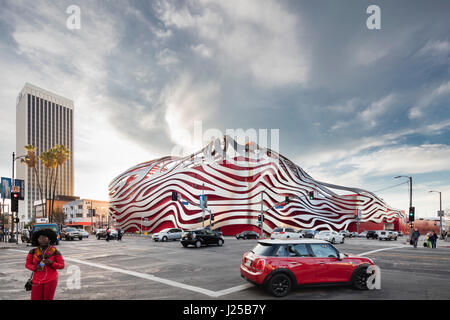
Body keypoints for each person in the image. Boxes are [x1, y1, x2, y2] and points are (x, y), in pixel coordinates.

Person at [25, 228, 65, 300]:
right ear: (37, 239)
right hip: (37, 280)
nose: (42, 239)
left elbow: (62, 266)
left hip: (51, 280)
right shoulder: (33, 251)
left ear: (49, 239)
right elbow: (27, 264)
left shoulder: (55, 252)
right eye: (40, 238)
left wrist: (52, 263)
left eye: (44, 238)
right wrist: (35, 267)